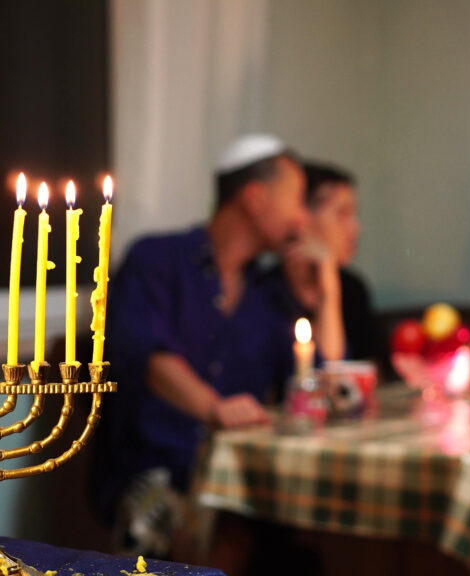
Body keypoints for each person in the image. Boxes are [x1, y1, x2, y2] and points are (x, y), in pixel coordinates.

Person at [92, 134, 317, 558]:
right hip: (153, 475)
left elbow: (312, 385)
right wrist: (215, 407)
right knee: (195, 523)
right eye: (298, 201)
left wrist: (319, 299)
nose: (304, 219)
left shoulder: (270, 296)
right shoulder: (155, 261)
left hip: (242, 484)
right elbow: (146, 355)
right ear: (254, 198)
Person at [277, 161, 375, 361]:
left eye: (354, 215)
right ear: (303, 218)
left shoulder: (351, 288)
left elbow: (370, 371)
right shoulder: (265, 292)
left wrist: (328, 279)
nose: (355, 228)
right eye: (342, 214)